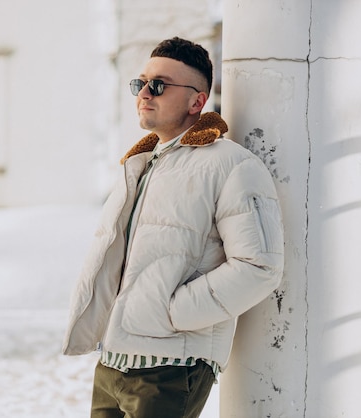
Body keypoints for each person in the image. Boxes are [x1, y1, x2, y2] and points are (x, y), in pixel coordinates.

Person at [62, 37, 284, 418]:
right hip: (113, 362)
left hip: (170, 368)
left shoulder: (230, 164)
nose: (145, 93)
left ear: (197, 101)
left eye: (159, 86)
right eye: (141, 83)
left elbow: (259, 266)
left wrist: (173, 314)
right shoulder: (142, 163)